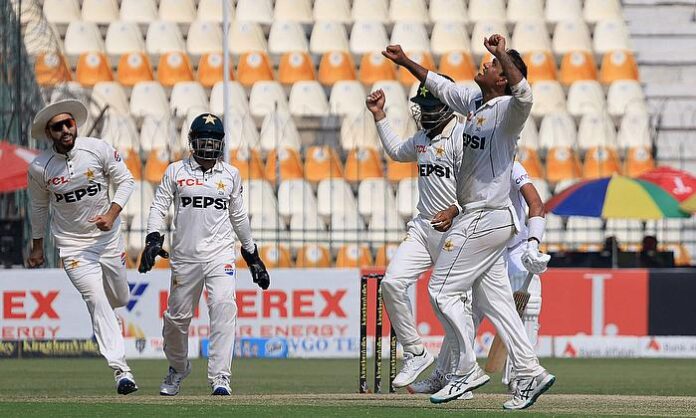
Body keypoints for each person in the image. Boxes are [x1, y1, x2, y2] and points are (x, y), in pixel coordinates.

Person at [382, 35, 554, 410]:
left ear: (503, 78)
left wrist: (502, 54)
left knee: (441, 290)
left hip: (486, 216)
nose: (486, 65)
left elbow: (525, 93)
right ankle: (530, 371)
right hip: (485, 219)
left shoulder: (511, 109)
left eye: (492, 66)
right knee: (496, 302)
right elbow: (440, 85)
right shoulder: (475, 101)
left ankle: (465, 370)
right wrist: (406, 60)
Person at [138, 113, 270, 396]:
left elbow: (239, 217)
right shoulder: (176, 171)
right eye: (203, 141)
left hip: (219, 255)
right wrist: (152, 239)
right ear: (192, 142)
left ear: (221, 144)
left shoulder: (231, 174)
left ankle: (220, 376)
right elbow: (159, 207)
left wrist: (252, 255)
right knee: (176, 319)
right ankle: (177, 368)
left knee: (224, 306)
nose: (209, 147)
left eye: (214, 141)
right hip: (184, 256)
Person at [409, 161, 549, 396]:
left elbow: (536, 204)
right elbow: (464, 204)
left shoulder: (512, 167)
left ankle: (522, 378)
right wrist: (451, 213)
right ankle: (445, 375)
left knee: (531, 305)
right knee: (468, 313)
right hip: (487, 247)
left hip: (515, 247)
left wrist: (533, 244)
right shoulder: (474, 169)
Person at [26, 99, 138, 395]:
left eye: (68, 123)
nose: (65, 129)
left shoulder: (98, 149)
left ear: (75, 124)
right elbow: (38, 207)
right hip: (73, 246)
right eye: (57, 127)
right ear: (48, 134)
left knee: (120, 297)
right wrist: (37, 246)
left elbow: (126, 181)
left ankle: (114, 326)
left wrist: (111, 214)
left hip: (108, 239)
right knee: (96, 300)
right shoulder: (40, 167)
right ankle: (121, 370)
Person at [365, 77, 467, 390]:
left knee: (451, 306)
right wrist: (379, 115)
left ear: (447, 106)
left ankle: (457, 377)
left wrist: (454, 209)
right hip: (423, 228)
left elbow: (477, 186)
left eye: (430, 106)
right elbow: (396, 151)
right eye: (421, 107)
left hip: (456, 231)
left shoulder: (461, 137)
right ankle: (416, 351)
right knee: (392, 284)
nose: (424, 113)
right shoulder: (422, 138)